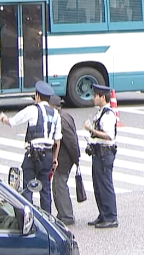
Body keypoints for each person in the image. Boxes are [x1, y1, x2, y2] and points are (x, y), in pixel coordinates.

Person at [0, 81, 62, 214]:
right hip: (48, 155)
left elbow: (13, 121)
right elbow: (57, 140)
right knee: (45, 188)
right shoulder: (56, 114)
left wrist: (4, 118)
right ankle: (47, 217)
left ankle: (30, 215)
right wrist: (55, 158)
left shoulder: (33, 109)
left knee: (28, 186)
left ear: (37, 96)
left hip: (32, 154)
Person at [84, 84, 118, 229]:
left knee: (105, 185)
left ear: (102, 97)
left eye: (95, 95)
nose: (93, 98)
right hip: (98, 153)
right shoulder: (100, 112)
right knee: (98, 186)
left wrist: (91, 129)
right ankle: (103, 214)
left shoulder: (108, 114)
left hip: (105, 153)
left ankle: (111, 216)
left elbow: (109, 136)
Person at [52, 95, 79, 226]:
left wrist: (76, 158)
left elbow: (71, 141)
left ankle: (66, 215)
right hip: (65, 157)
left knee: (60, 184)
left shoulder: (61, 120)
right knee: (57, 184)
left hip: (64, 158)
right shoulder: (66, 115)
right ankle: (62, 213)